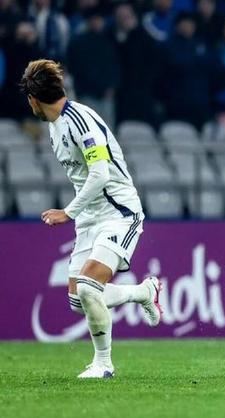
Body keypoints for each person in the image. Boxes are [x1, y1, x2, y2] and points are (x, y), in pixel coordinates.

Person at [19, 60, 162, 378]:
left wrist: (67, 212)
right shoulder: (55, 125)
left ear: (33, 99)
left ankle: (103, 364)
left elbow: (99, 174)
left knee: (87, 288)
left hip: (118, 213)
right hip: (89, 219)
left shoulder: (80, 120)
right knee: (78, 300)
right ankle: (143, 292)